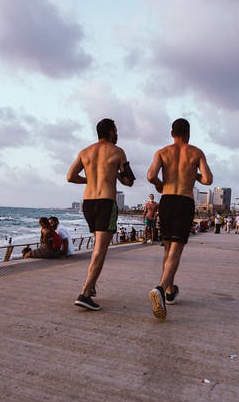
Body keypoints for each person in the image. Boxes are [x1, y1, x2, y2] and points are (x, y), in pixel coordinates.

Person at [147, 118, 213, 321]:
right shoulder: (196, 152)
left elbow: (150, 175)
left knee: (167, 250)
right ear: (188, 133)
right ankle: (159, 288)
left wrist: (160, 184)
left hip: (166, 200)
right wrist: (193, 174)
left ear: (171, 133)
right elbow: (208, 180)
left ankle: (168, 291)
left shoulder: (162, 152)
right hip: (184, 201)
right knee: (175, 250)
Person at [66, 118, 135, 310]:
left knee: (98, 246)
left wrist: (89, 180)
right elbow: (129, 180)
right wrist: (115, 175)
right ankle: (85, 292)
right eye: (116, 130)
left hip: (88, 203)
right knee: (100, 250)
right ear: (112, 131)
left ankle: (91, 285)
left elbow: (70, 177)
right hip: (106, 203)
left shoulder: (84, 152)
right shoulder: (117, 151)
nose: (117, 133)